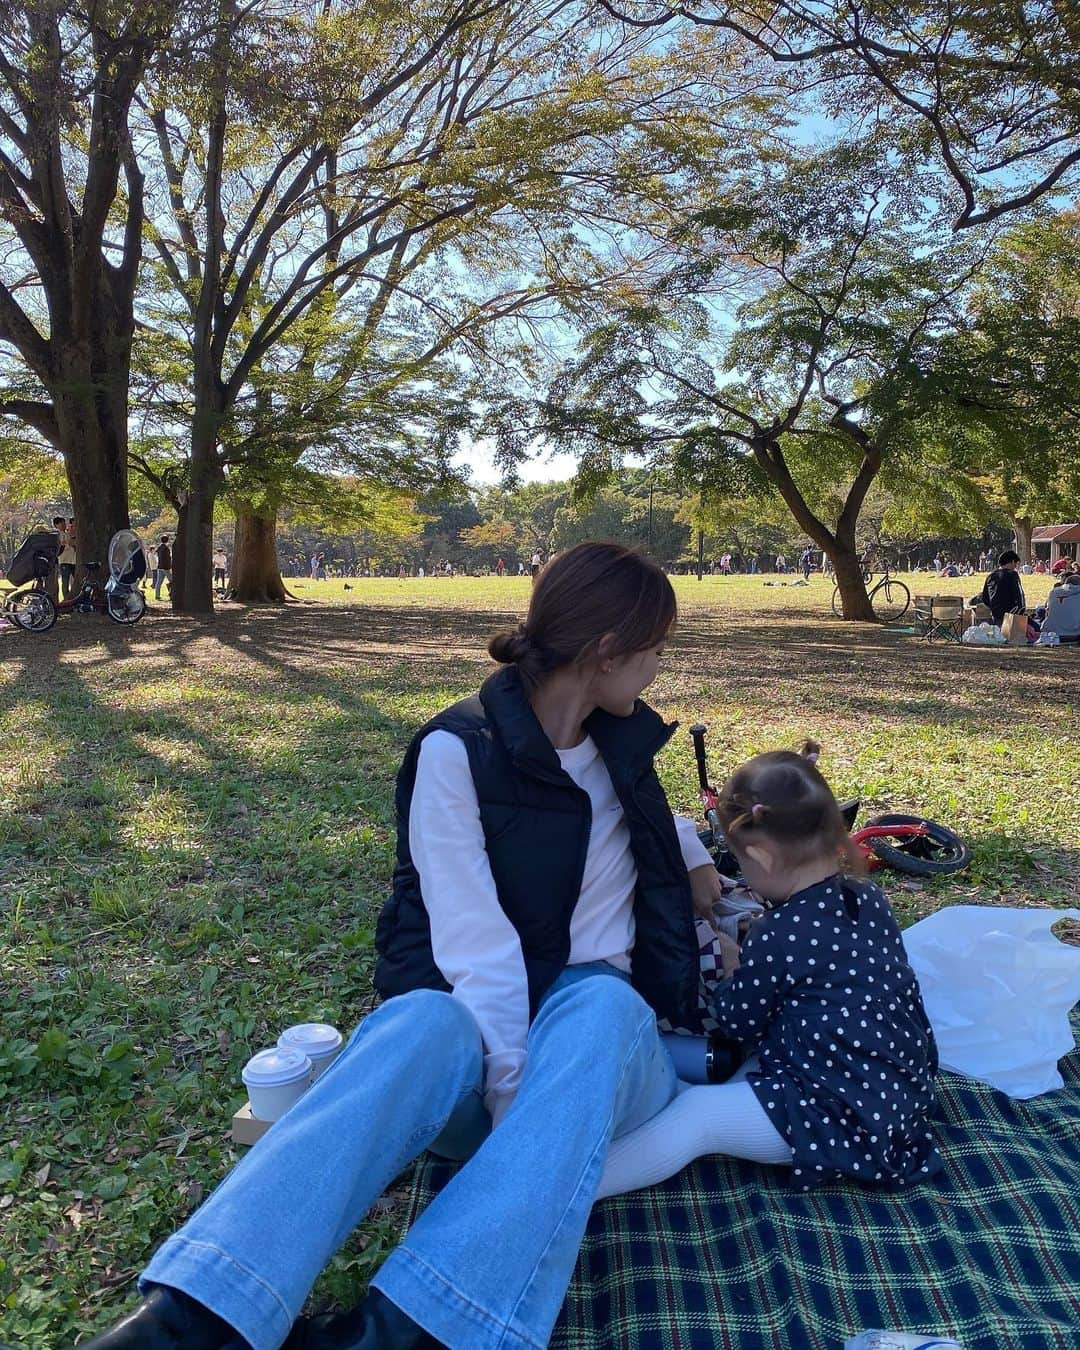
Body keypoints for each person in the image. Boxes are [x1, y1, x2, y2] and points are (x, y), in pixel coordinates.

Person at [83, 542, 724, 1350]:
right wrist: (514, 1098)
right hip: (504, 1070)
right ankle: (193, 1317)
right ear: (607, 652)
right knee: (422, 1018)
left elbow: (649, 820)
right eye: (657, 646)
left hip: (602, 1066)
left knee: (598, 1004)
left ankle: (412, 1332)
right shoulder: (456, 752)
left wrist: (701, 866)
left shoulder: (622, 743)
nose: (660, 668)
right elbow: (475, 944)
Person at [594, 742, 941, 1200]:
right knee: (723, 1082)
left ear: (764, 856)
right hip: (897, 1094)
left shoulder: (779, 933)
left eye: (740, 861)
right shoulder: (868, 900)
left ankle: (566, 1192)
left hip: (837, 1113)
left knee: (699, 1116)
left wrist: (731, 960)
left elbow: (737, 1020)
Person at [977, 549, 1026, 627]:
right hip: (1011, 616)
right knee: (1036, 628)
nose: (1015, 567)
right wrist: (1022, 612)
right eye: (1016, 564)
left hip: (996, 615)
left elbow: (985, 598)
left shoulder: (990, 576)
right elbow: (1019, 596)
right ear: (1013, 561)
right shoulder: (1012, 574)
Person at [153, 537, 172, 601]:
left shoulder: (159, 547)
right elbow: (167, 559)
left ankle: (157, 595)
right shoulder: (166, 548)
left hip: (160, 566)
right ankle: (171, 593)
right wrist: (169, 566)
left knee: (159, 582)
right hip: (165, 567)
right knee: (172, 581)